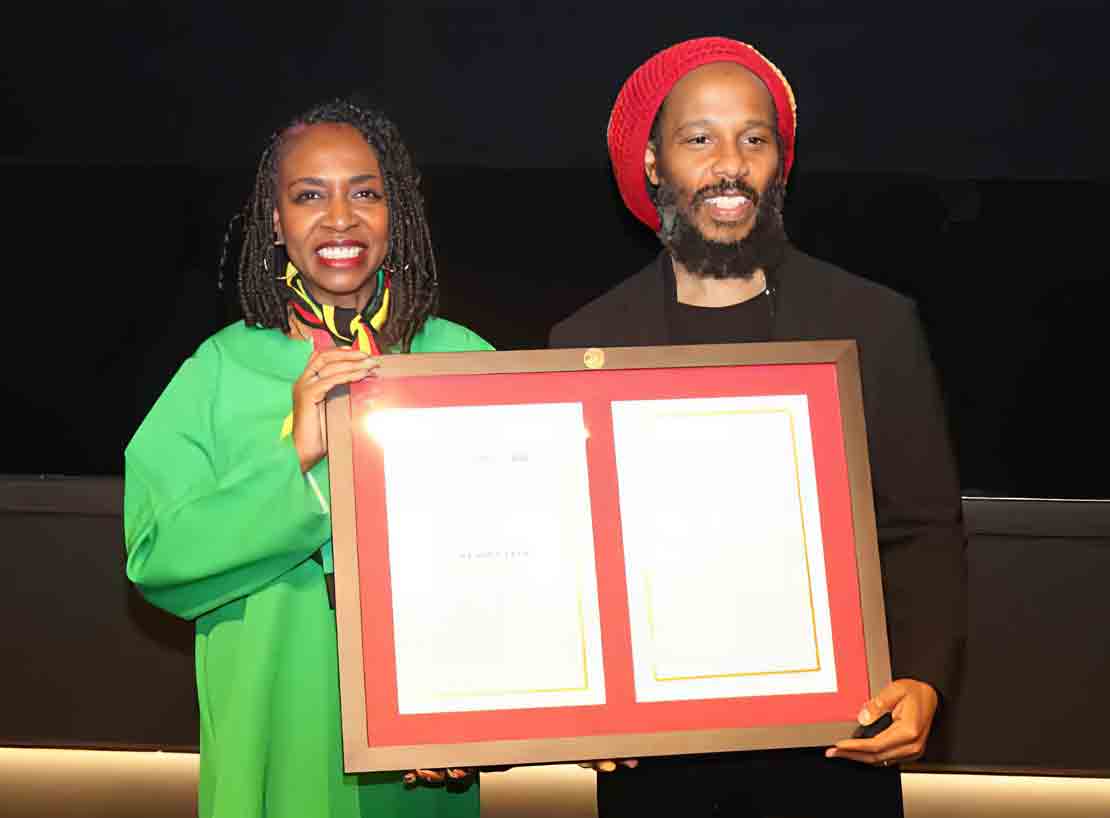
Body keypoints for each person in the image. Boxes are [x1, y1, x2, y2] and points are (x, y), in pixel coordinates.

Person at [550, 37, 966, 817]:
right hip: (656, 762)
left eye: (754, 138)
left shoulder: (872, 322)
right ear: (652, 164)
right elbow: (571, 557)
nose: (729, 163)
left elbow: (923, 526)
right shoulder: (586, 342)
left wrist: (923, 677)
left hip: (837, 746)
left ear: (779, 161)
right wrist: (581, 700)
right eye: (698, 138)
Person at [124, 99, 491, 818]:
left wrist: (481, 703)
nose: (341, 219)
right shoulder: (220, 369)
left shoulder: (464, 360)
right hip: (275, 735)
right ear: (275, 221)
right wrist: (297, 457)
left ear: (397, 213)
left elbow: (523, 559)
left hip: (424, 751)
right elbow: (154, 554)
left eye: (365, 192)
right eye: (309, 195)